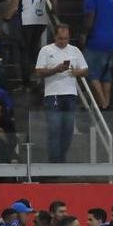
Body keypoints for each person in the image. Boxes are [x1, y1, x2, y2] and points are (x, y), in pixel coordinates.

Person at [35, 24, 88, 164]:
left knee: (68, 130)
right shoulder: (46, 50)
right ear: (55, 37)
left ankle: (61, 158)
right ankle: (55, 162)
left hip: (70, 94)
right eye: (60, 39)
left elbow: (85, 70)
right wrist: (56, 70)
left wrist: (77, 72)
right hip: (53, 94)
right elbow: (39, 72)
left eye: (66, 39)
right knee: (54, 129)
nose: (63, 42)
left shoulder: (75, 50)